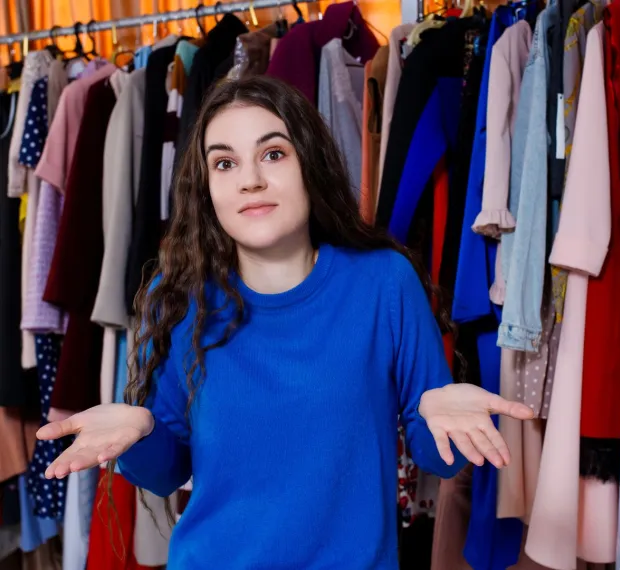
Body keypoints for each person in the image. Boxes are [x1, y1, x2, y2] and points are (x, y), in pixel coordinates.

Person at [36, 76, 534, 569]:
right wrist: (141, 433)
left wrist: (447, 421)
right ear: (207, 188)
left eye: (273, 154)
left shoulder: (384, 282)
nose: (250, 179)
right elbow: (165, 473)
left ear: (309, 163)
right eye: (225, 163)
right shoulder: (181, 297)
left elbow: (436, 457)